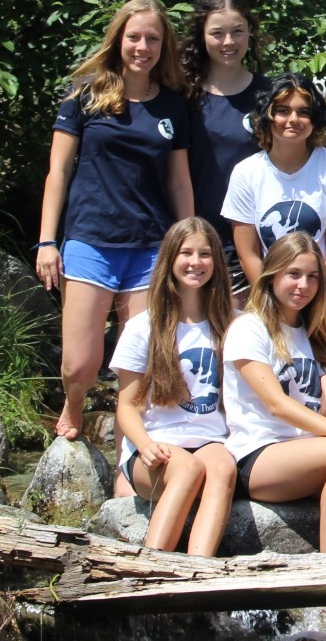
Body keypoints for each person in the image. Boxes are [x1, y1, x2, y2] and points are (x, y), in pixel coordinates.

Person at [36, 0, 194, 441]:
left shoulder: (172, 105)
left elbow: (179, 182)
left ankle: (130, 449)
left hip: (151, 247)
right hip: (90, 240)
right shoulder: (84, 94)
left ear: (164, 46)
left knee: (138, 360)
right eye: (135, 37)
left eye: (153, 39)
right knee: (79, 364)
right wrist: (47, 241)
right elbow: (58, 171)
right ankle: (74, 403)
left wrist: (189, 244)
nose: (143, 47)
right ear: (118, 39)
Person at [223, 233, 326, 553]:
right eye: (294, 274)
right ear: (272, 275)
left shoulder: (311, 329)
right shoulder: (248, 328)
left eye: (312, 277)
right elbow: (276, 404)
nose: (303, 285)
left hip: (307, 452)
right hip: (257, 454)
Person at [111, 217, 237, 555]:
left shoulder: (233, 324)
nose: (196, 262)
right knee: (187, 469)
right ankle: (151, 566)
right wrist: (144, 445)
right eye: (186, 253)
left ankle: (199, 568)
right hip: (155, 446)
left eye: (205, 254)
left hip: (211, 439)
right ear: (170, 259)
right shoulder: (143, 327)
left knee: (223, 467)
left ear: (217, 261)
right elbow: (127, 405)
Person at [222, 73, 326, 375]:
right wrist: (278, 309)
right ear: (267, 116)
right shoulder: (246, 173)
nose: (293, 119)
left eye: (303, 112)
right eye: (283, 110)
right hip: (272, 312)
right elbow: (248, 253)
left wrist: (317, 310)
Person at [180, 0, 269, 303]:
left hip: (256, 241)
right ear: (202, 35)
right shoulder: (182, 94)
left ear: (250, 32)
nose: (228, 41)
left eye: (237, 31)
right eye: (217, 33)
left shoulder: (269, 95)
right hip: (195, 239)